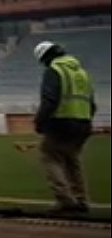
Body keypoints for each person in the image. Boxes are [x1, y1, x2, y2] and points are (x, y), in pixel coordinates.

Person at [33, 40, 96, 215]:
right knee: (73, 161)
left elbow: (50, 100)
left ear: (46, 57)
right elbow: (91, 103)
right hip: (83, 124)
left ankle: (66, 200)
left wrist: (39, 122)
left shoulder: (55, 70)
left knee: (50, 156)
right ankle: (81, 200)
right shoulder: (83, 74)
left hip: (61, 123)